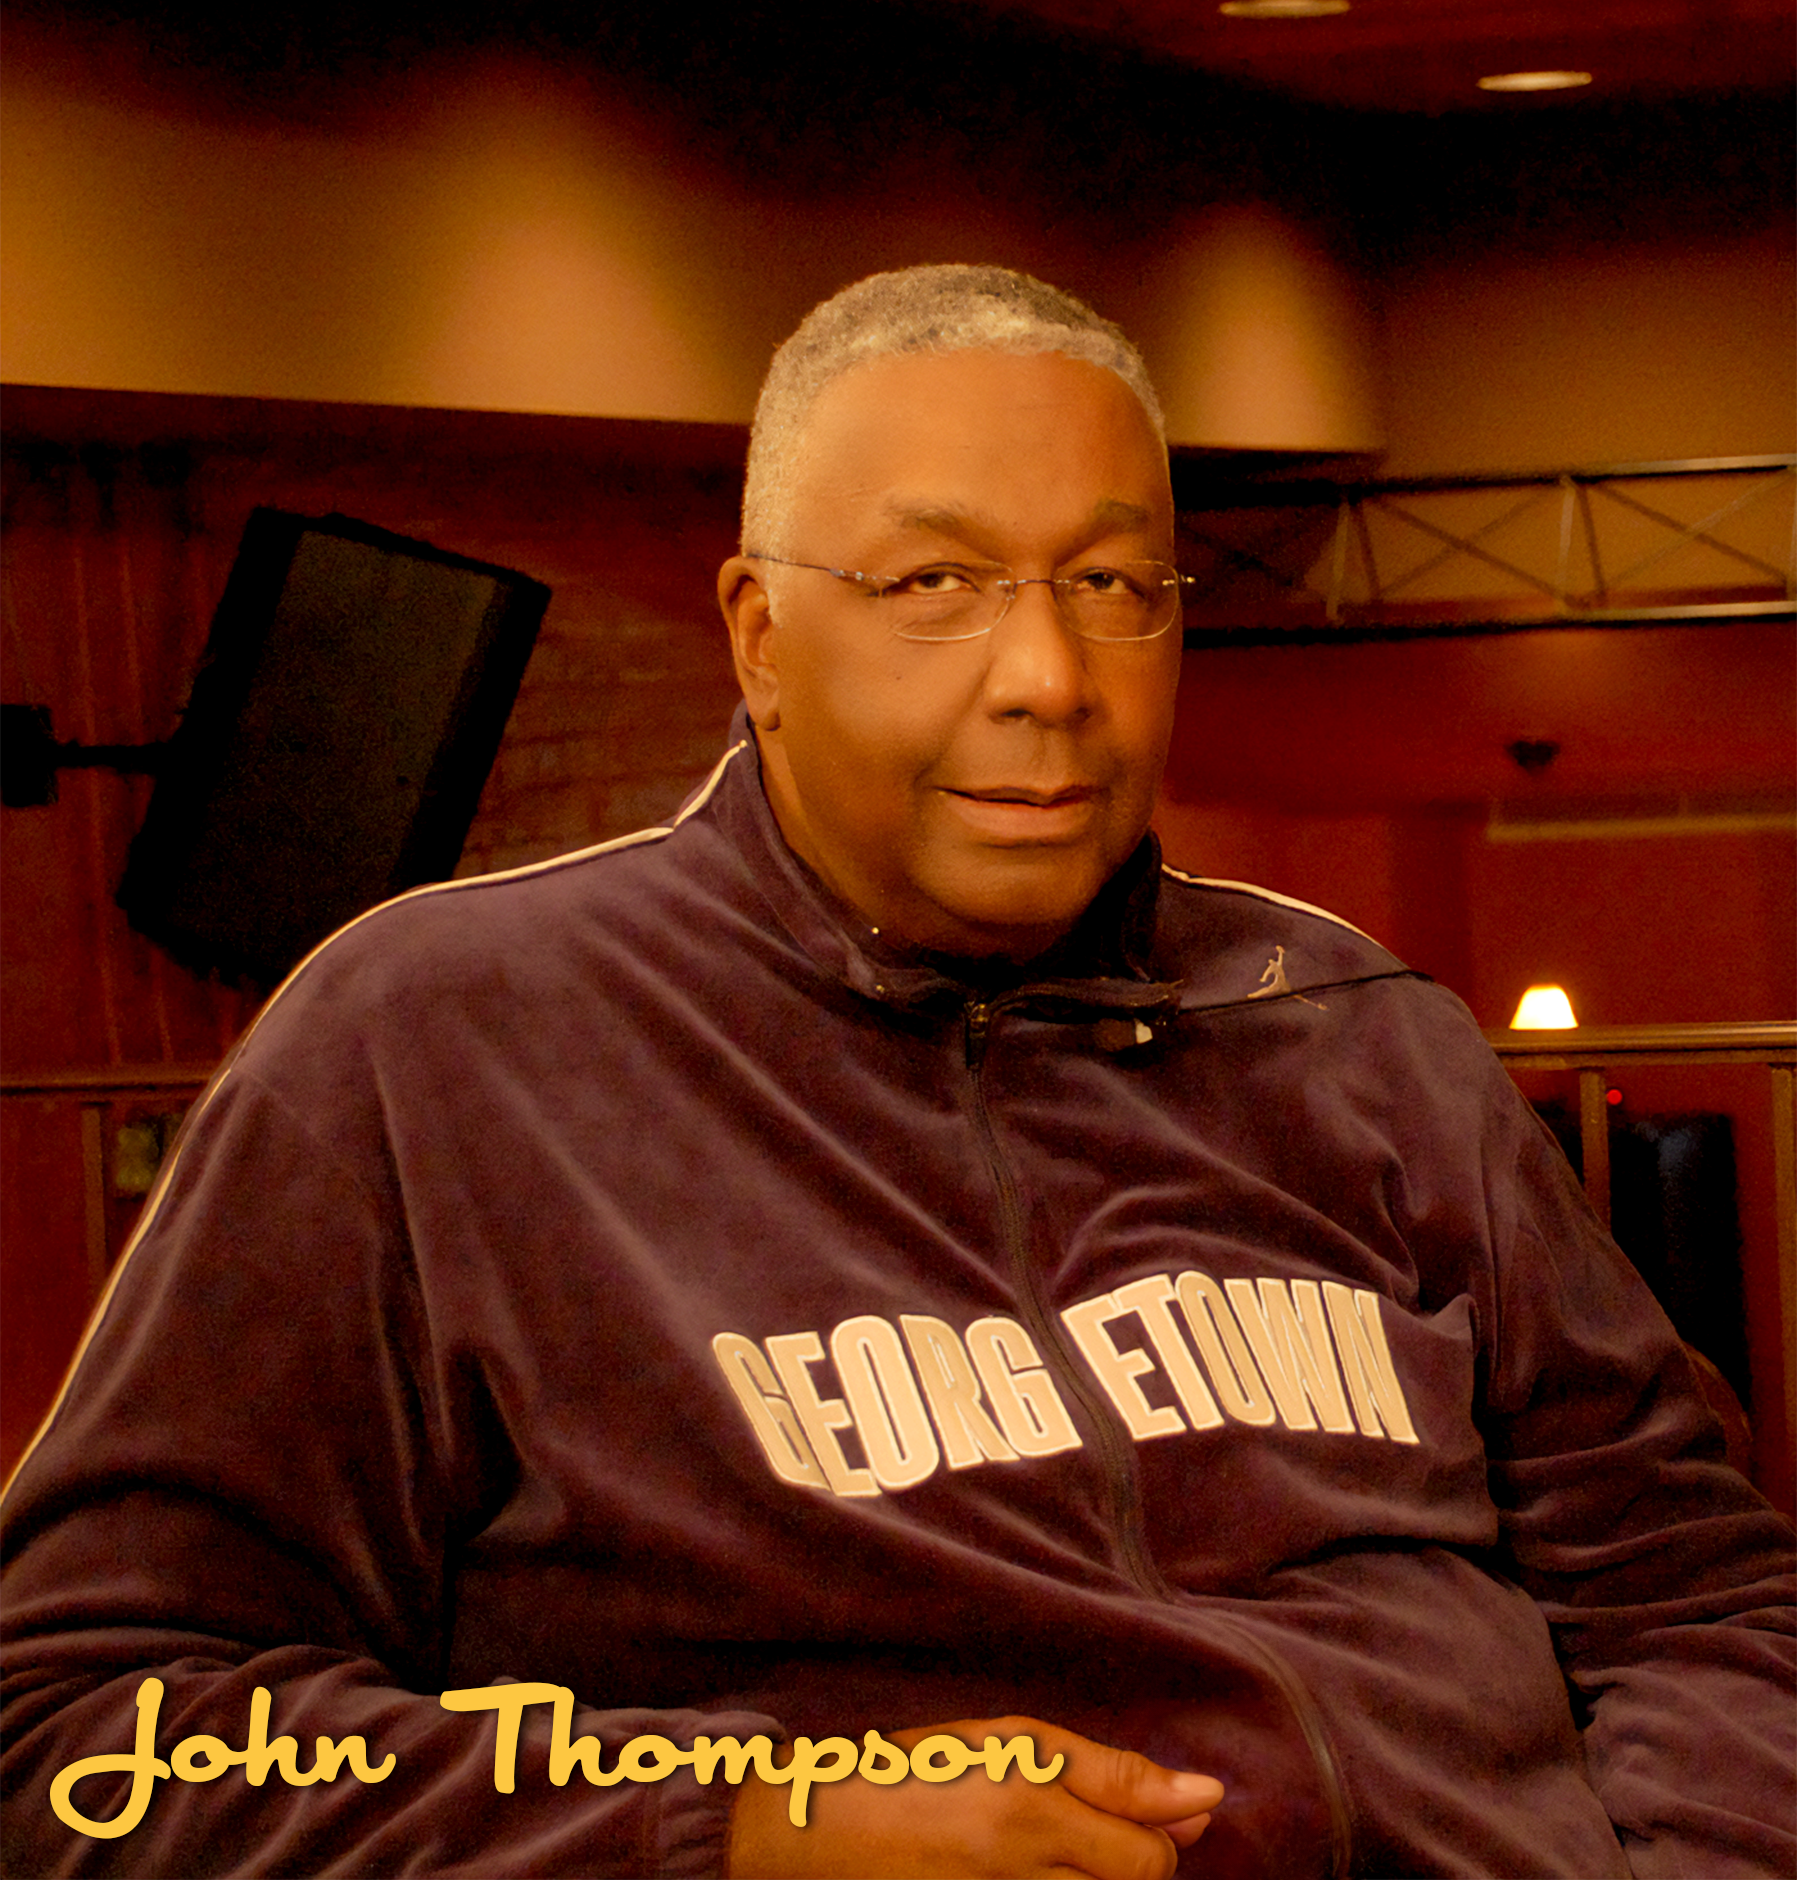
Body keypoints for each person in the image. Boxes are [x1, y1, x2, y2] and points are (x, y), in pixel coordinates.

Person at [1, 265, 1794, 1880]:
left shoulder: (1356, 1026)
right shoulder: (432, 1042)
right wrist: (744, 1824)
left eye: (1113, 585)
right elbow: (81, 1738)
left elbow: (1702, 1601)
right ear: (758, 635)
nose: (1049, 677)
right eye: (936, 584)